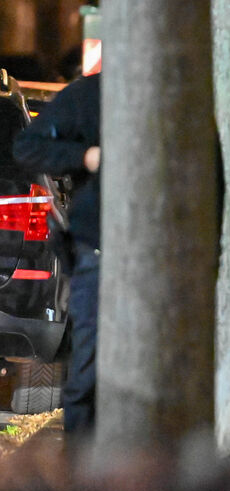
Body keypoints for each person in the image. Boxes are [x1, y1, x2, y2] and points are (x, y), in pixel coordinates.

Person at [13, 73, 101, 434]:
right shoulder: (89, 96)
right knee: (88, 376)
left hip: (167, 259)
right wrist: (85, 157)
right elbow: (28, 147)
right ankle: (83, 461)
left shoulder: (182, 95)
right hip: (100, 253)